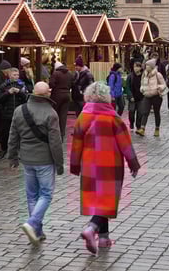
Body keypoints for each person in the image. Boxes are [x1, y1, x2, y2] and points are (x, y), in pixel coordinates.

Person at [70, 82, 141, 254]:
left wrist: (75, 165)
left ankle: (103, 239)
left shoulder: (83, 116)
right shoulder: (112, 117)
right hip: (110, 164)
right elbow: (125, 143)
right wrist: (133, 163)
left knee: (98, 200)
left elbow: (76, 144)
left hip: (89, 164)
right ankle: (91, 228)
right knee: (107, 200)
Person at [8, 81, 64, 245]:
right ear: (47, 94)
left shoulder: (20, 110)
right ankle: (32, 223)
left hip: (27, 159)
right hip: (45, 160)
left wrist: (12, 157)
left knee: (32, 195)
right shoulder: (51, 113)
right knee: (46, 194)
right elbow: (55, 142)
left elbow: (13, 136)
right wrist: (59, 164)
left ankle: (37, 231)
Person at [0, 68, 28, 159]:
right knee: (5, 133)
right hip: (6, 113)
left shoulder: (22, 85)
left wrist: (19, 92)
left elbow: (27, 98)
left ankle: (18, 152)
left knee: (19, 134)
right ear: (9, 75)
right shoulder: (3, 85)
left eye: (17, 75)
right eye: (14, 75)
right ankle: (3, 150)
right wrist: (8, 93)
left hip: (19, 113)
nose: (16, 77)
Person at [137, 59, 166, 137]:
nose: (146, 67)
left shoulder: (158, 74)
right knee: (145, 112)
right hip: (147, 95)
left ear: (152, 67)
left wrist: (159, 88)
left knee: (156, 112)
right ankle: (142, 129)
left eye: (148, 65)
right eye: (146, 65)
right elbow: (142, 84)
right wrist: (142, 89)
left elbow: (163, 84)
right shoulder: (144, 74)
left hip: (156, 96)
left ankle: (157, 129)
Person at [49, 60, 75, 140]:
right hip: (67, 95)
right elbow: (73, 84)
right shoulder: (70, 73)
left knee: (55, 113)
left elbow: (51, 84)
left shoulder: (56, 73)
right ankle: (62, 134)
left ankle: (55, 132)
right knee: (63, 115)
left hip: (57, 95)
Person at [126, 60, 144, 131]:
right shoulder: (130, 76)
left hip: (141, 97)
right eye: (134, 67)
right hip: (132, 97)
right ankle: (131, 123)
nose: (135, 68)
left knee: (140, 113)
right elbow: (127, 87)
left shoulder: (143, 76)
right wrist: (130, 96)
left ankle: (138, 126)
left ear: (140, 68)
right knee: (131, 112)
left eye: (137, 67)